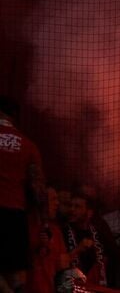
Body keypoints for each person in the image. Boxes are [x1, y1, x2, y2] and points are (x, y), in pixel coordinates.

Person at [0, 98, 45, 293]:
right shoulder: (29, 145)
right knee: (16, 270)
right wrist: (42, 222)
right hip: (15, 214)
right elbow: (38, 188)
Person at [62, 191, 118, 288]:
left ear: (89, 212)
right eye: (71, 205)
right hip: (73, 287)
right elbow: (60, 262)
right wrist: (78, 249)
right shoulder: (64, 231)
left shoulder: (100, 229)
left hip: (99, 287)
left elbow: (113, 256)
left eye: (77, 207)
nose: (72, 209)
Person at [27, 186, 69, 293]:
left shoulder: (56, 230)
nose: (57, 203)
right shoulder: (27, 227)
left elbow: (62, 265)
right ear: (42, 201)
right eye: (53, 199)